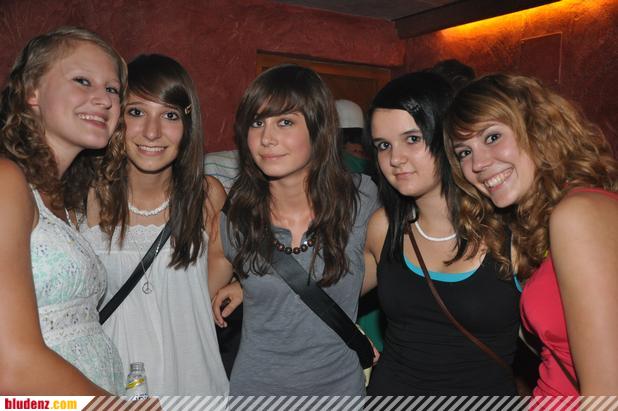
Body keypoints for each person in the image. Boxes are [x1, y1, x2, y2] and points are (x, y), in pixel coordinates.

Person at [209, 64, 380, 395]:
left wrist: (261, 287)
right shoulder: (236, 218)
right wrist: (255, 286)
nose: (267, 138)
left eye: (285, 122)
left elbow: (396, 274)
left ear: (318, 129)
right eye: (257, 123)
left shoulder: (362, 200)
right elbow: (195, 308)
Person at [443, 73, 618, 396]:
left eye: (492, 137)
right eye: (464, 152)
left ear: (538, 129)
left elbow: (607, 394)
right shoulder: (545, 223)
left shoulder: (578, 213)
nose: (477, 163)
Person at [362, 71, 521, 395]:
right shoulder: (385, 226)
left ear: (446, 137)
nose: (395, 159)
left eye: (412, 139)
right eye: (383, 145)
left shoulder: (511, 232)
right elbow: (329, 296)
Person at [81, 54, 229, 395]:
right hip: (110, 386)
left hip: (193, 385)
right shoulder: (88, 197)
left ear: (188, 125)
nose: (152, 131)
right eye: (136, 112)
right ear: (117, 117)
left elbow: (221, 274)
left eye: (170, 115)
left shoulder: (207, 197)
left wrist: (243, 288)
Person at [0, 26, 126, 394]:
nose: (104, 99)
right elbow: (12, 366)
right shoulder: (6, 180)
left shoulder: (63, 201)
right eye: (83, 81)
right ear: (32, 92)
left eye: (113, 89)